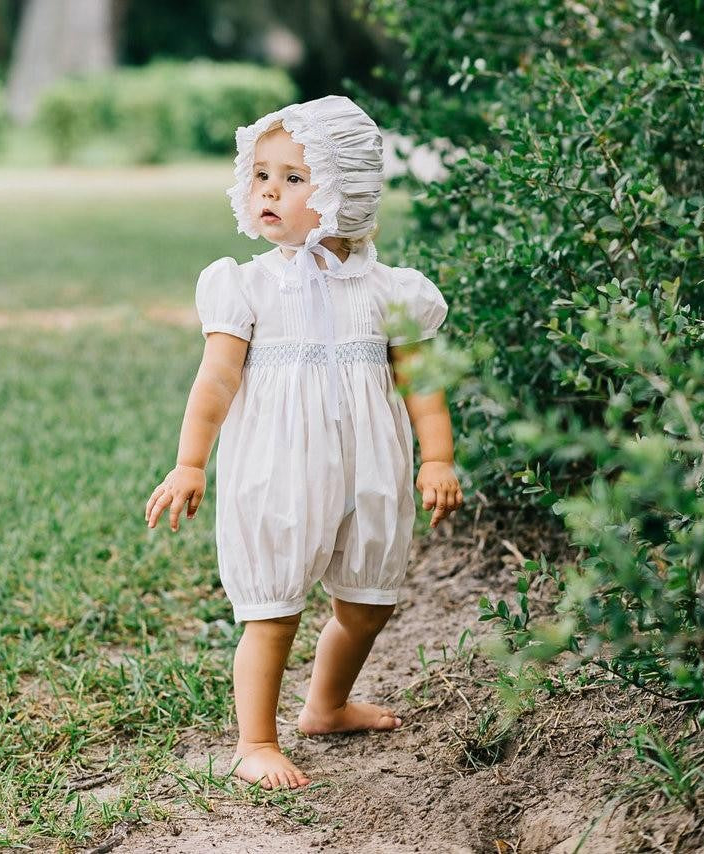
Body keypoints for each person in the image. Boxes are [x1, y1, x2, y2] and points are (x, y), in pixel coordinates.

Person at [145, 95, 463, 792]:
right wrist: (190, 462)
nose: (269, 191)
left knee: (368, 604)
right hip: (279, 470)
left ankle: (326, 705)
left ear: (346, 191)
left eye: (294, 178)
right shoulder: (247, 287)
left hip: (369, 470)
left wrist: (437, 457)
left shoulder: (390, 291)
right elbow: (216, 379)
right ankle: (255, 741)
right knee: (274, 609)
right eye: (261, 175)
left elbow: (421, 382)